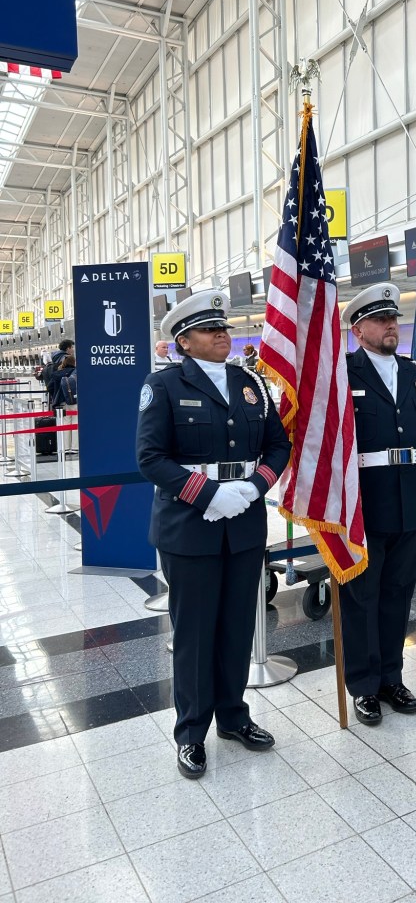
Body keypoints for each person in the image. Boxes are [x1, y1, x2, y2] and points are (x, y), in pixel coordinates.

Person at [136, 290, 290, 778]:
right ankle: (191, 733)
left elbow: (278, 445)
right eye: (210, 329)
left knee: (237, 627)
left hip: (243, 521)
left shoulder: (251, 383)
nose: (223, 334)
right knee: (196, 633)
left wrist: (253, 487)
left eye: (223, 327)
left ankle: (234, 717)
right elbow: (150, 458)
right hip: (190, 526)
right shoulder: (163, 385)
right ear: (184, 341)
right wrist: (207, 495)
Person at [340, 283, 416, 725]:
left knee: (399, 593)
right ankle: (363, 685)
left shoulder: (415, 375)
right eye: (380, 320)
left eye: (393, 318)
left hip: (408, 501)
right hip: (363, 505)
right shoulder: (344, 373)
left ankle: (391, 678)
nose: (390, 326)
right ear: (358, 330)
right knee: (362, 596)